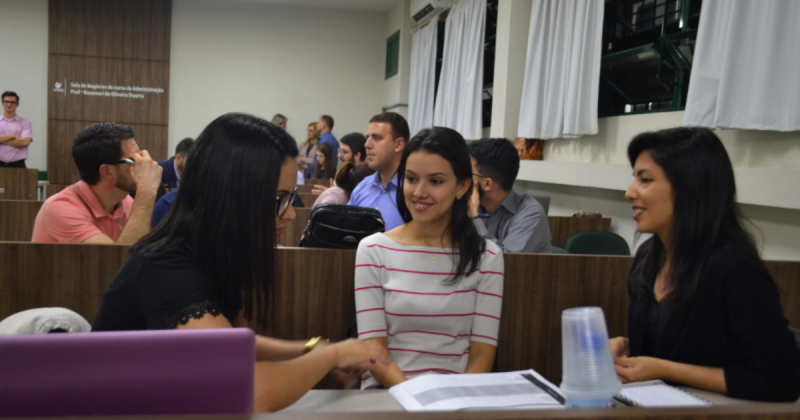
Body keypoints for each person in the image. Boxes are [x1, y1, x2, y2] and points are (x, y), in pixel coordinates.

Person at [92, 113, 388, 412]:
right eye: (279, 199)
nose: (288, 214)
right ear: (234, 195)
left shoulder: (213, 254)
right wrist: (330, 357)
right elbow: (248, 389)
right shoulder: (167, 269)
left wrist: (315, 348)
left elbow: (233, 343)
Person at [609, 127, 800, 402]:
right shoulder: (648, 256)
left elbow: (781, 381)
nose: (629, 192)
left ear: (690, 188)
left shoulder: (733, 268)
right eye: (634, 179)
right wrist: (626, 346)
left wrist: (662, 368)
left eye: (646, 180)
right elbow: (686, 344)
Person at [355, 127, 504, 389]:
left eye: (435, 181)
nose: (419, 192)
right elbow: (373, 351)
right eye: (411, 179)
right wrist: (416, 401)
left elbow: (483, 353)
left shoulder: (487, 257)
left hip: (455, 399)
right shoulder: (373, 250)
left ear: (462, 186)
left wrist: (455, 402)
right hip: (387, 393)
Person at [32, 122, 162, 244]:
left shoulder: (125, 202)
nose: (145, 164)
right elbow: (116, 262)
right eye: (134, 160)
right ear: (107, 171)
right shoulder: (59, 208)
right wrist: (147, 190)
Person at [467, 138, 551, 253]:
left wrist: (474, 219)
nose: (462, 179)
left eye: (468, 173)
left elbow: (506, 261)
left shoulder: (531, 214)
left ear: (487, 183)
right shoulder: (464, 203)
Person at [348, 112, 409, 231]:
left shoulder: (414, 191)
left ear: (398, 144)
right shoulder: (362, 187)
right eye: (367, 138)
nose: (367, 145)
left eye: (377, 138)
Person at [0, 91, 33, 168]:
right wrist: (13, 135)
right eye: (6, 102)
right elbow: (19, 141)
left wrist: (2, 141)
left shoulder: (25, 123)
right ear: (2, 103)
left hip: (18, 165)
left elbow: (25, 142)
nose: (9, 104)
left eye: (12, 102)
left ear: (17, 105)